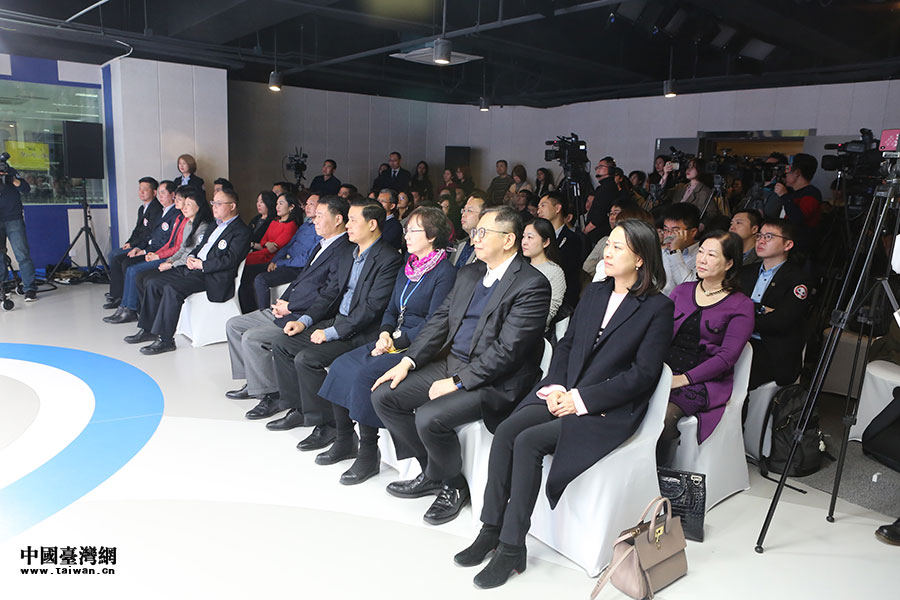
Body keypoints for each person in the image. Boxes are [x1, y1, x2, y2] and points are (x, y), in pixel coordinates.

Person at [454, 219, 674, 588]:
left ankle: (512, 547)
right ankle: (490, 528)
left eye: (617, 247)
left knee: (529, 441)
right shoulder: (595, 292)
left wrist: (579, 399)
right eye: (608, 244)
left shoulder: (657, 308)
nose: (607, 252)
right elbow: (567, 345)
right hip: (565, 391)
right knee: (507, 430)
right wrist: (556, 386)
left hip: (608, 409)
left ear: (640, 259)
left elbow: (642, 375)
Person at [371, 206, 551, 526]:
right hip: (453, 363)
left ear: (508, 240)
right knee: (385, 395)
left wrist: (457, 382)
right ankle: (433, 472)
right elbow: (439, 322)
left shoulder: (532, 284)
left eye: (483, 232)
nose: (474, 238)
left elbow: (508, 352)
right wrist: (407, 361)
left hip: (497, 381)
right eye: (475, 231)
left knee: (429, 416)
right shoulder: (470, 273)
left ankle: (454, 486)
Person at [317, 207, 458, 483]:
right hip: (391, 338)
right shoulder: (408, 266)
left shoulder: (445, 273)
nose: (406, 235)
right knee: (341, 365)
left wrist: (395, 341)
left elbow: (435, 323)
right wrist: (384, 333)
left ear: (432, 236)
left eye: (413, 230)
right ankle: (345, 438)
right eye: (406, 230)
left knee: (365, 375)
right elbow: (392, 309)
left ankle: (369, 452)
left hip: (418, 345)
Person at [269, 198, 403, 444]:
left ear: (372, 224)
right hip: (336, 321)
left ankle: (329, 425)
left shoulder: (388, 259)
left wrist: (330, 332)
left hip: (362, 331)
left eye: (352, 220)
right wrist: (305, 321)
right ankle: (300, 409)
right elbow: (330, 294)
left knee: (307, 359)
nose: (347, 225)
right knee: (282, 343)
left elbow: (371, 309)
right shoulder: (349, 254)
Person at [225, 195, 351, 422]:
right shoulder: (321, 244)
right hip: (289, 308)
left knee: (253, 338)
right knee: (234, 325)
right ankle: (254, 382)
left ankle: (271, 394)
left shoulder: (343, 251)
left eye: (320, 216)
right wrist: (281, 303)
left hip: (304, 315)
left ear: (338, 219)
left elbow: (329, 295)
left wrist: (292, 307)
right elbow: (299, 280)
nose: (314, 221)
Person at [656, 231, 754, 466]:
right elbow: (659, 334)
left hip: (703, 381)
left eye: (711, 255)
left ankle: (660, 476)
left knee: (664, 416)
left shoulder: (741, 305)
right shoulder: (682, 291)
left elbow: (727, 358)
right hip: (666, 370)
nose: (701, 259)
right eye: (701, 252)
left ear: (729, 263)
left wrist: (683, 380)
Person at [125, 188, 250, 355]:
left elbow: (230, 260)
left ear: (232, 206)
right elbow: (200, 246)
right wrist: (191, 256)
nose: (214, 207)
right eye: (213, 203)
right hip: (193, 267)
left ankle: (166, 340)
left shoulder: (241, 231)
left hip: (211, 275)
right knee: (153, 282)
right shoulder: (214, 225)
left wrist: (202, 264)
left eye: (219, 204)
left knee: (172, 288)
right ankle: (148, 329)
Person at [740, 219, 811, 390]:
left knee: (735, 373)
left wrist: (742, 317)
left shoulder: (798, 279)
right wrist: (761, 309)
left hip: (770, 349)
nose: (761, 241)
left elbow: (780, 321)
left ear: (788, 245)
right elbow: (728, 307)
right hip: (739, 340)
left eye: (769, 237)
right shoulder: (746, 272)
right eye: (759, 236)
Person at [103, 181, 182, 323]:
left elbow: (169, 243)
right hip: (154, 250)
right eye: (159, 193)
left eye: (163, 193)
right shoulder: (163, 211)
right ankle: (124, 305)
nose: (160, 196)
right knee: (126, 263)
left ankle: (130, 309)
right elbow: (149, 234)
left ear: (173, 195)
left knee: (132, 269)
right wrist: (140, 248)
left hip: (162, 254)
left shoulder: (176, 214)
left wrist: (148, 252)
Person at [251, 193, 322, 312]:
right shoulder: (305, 225)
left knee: (261, 279)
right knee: (249, 271)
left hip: (297, 268)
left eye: (311, 204)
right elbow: (288, 245)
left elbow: (307, 259)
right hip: (285, 262)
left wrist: (281, 263)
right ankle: (249, 309)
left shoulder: (321, 229)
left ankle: (263, 313)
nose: (307, 207)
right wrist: (275, 261)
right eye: (306, 204)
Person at [104, 177, 162, 309]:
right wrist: (129, 242)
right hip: (136, 243)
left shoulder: (156, 209)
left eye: (145, 189)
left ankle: (119, 295)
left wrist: (135, 246)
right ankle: (116, 293)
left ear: (154, 192)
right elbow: (137, 229)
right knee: (113, 254)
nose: (141, 192)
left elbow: (150, 234)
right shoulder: (142, 208)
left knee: (118, 258)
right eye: (140, 189)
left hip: (145, 246)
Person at [238, 193, 301, 313]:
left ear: (291, 207)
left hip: (272, 259)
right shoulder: (274, 221)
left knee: (246, 269)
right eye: (277, 203)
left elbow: (276, 247)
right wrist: (267, 243)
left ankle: (252, 309)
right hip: (263, 253)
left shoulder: (291, 226)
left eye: (281, 203)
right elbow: (263, 241)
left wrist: (267, 244)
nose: (277, 206)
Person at [536, 192, 583, 309]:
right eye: (538, 207)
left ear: (557, 208)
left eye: (543, 205)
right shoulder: (537, 237)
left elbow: (568, 272)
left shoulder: (573, 239)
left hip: (563, 300)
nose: (538, 211)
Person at [0, 161, 37, 301]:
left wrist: (12, 179)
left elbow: (26, 188)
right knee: (0, 256)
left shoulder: (11, 171)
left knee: (22, 254)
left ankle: (30, 288)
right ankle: (3, 287)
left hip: (14, 219)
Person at [774, 153, 822, 258]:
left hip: (799, 250)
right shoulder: (791, 192)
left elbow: (798, 219)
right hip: (785, 243)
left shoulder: (811, 194)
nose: (786, 174)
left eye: (788, 170)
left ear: (797, 173)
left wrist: (784, 196)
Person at [521, 218, 566, 328]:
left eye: (530, 237)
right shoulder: (519, 266)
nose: (524, 242)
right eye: (523, 236)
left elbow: (550, 311)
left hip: (532, 330)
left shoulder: (554, 272)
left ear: (545, 242)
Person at [582, 198, 641, 279]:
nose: (611, 217)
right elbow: (587, 267)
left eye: (616, 213)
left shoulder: (637, 244)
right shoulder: (603, 240)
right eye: (610, 214)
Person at [661, 203, 701, 296]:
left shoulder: (702, 255)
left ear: (693, 232)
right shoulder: (663, 251)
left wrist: (675, 251)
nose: (669, 235)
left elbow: (687, 288)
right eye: (666, 230)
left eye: (675, 231)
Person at [584, 156, 618, 244]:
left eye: (601, 167)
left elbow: (599, 214)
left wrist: (586, 230)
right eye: (597, 167)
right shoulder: (604, 187)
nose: (597, 170)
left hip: (599, 233)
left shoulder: (607, 188)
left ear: (610, 170)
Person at [450, 192, 487, 268]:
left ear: (484, 215)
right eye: (464, 210)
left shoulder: (487, 249)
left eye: (469, 211)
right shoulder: (459, 245)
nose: (463, 215)